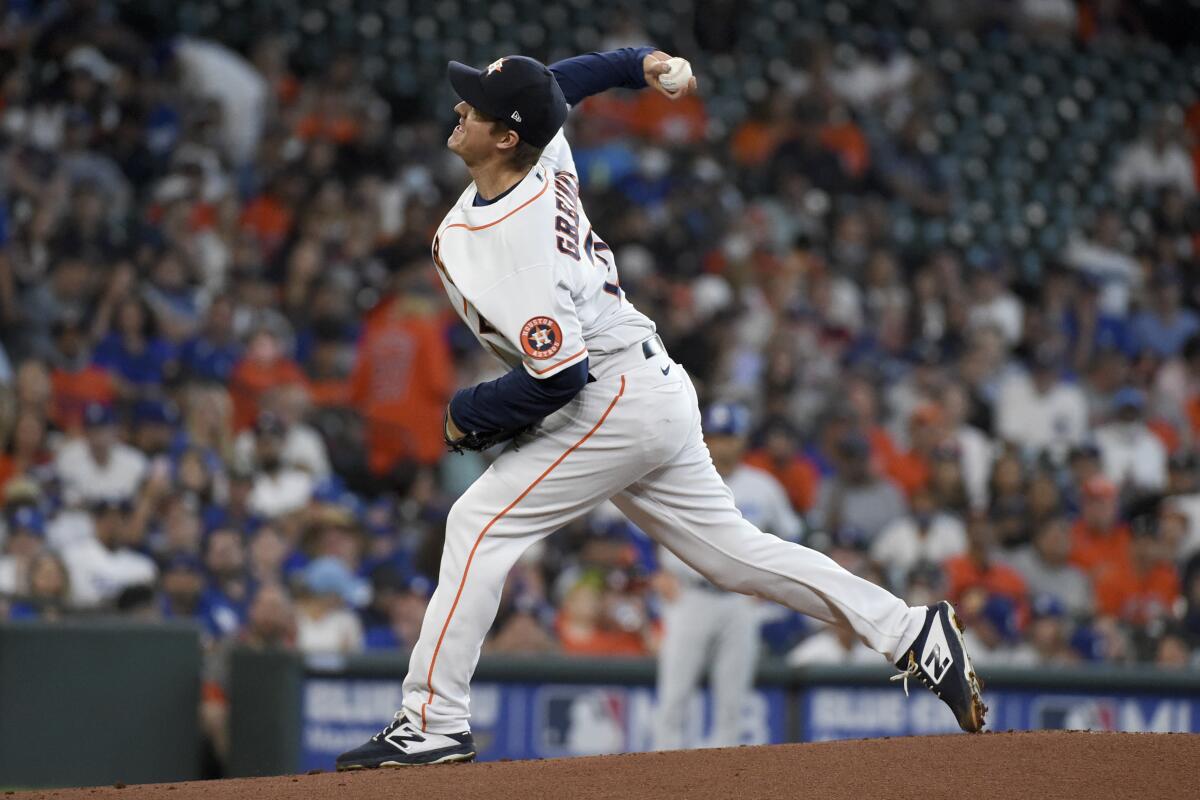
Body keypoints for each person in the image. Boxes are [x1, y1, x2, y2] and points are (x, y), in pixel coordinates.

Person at [336, 48, 984, 771]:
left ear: (505, 138)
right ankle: (908, 632)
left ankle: (432, 722)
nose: (458, 108)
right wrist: (638, 63)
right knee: (732, 557)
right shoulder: (543, 151)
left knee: (478, 523)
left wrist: (469, 411)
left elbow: (560, 377)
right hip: (649, 384)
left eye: (474, 107)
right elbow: (556, 85)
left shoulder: (512, 243)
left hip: (610, 393)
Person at [652, 403, 802, 750]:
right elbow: (639, 527)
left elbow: (793, 536)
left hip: (739, 601)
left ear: (743, 440)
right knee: (674, 699)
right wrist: (652, 572)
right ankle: (659, 781)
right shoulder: (679, 474)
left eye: (729, 437)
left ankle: (723, 785)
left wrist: (772, 582)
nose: (721, 445)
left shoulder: (762, 487)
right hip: (689, 596)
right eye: (716, 436)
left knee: (732, 703)